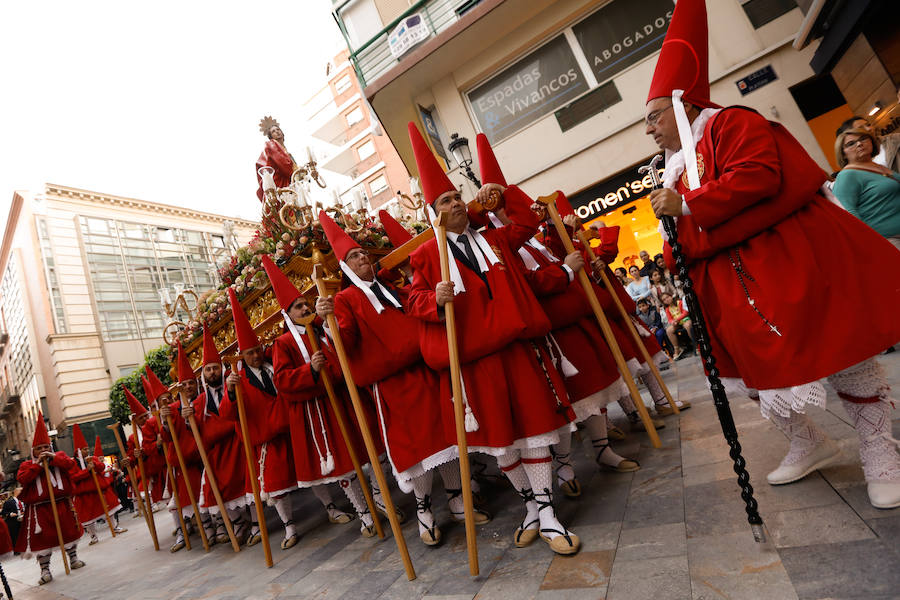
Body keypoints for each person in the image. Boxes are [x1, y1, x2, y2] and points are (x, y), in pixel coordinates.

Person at [645, 0, 900, 508]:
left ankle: (880, 450)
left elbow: (761, 175)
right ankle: (809, 442)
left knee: (841, 350)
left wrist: (688, 205)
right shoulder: (673, 163)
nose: (649, 130)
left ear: (684, 107)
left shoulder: (731, 123)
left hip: (787, 258)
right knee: (753, 373)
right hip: (730, 282)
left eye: (654, 118)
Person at [405, 122, 580, 555]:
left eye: (456, 198)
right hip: (474, 362)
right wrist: (433, 298)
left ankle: (548, 513)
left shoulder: (494, 236)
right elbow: (413, 301)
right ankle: (530, 507)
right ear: (434, 212)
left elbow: (524, 221)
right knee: (502, 441)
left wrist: (498, 197)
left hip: (518, 349)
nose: (455, 204)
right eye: (445, 201)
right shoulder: (426, 255)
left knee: (536, 429)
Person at [473, 134, 639, 500]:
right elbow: (526, 282)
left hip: (576, 317)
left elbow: (538, 234)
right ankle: (564, 466)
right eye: (497, 203)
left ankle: (602, 449)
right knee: (572, 399)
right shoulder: (494, 241)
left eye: (505, 201)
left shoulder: (527, 232)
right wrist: (564, 271)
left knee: (597, 389)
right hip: (552, 333)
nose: (504, 209)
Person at [312, 220, 491, 546]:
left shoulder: (392, 288)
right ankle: (425, 512)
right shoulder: (344, 300)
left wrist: (435, 298)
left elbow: (417, 307)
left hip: (425, 373)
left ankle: (457, 503)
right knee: (416, 452)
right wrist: (328, 324)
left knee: (446, 440)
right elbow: (346, 342)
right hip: (391, 388)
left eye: (363, 253)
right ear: (344, 267)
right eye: (353, 256)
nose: (363, 258)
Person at [269, 278, 390, 539]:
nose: (304, 309)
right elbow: (282, 380)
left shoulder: (323, 327)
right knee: (345, 465)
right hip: (321, 410)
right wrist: (310, 369)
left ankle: (379, 498)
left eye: (305, 304)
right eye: (297, 306)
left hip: (347, 397)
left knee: (374, 450)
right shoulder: (284, 343)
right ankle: (364, 512)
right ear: (287, 314)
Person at [220, 288, 300, 550]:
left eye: (258, 349)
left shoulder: (274, 365)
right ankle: (289, 527)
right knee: (276, 487)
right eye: (250, 352)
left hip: (292, 428)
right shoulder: (236, 381)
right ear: (242, 356)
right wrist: (230, 392)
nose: (256, 355)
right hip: (266, 440)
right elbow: (227, 414)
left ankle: (330, 506)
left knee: (306, 473)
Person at [181, 329, 251, 545]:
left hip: (240, 445)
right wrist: (187, 419)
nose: (212, 372)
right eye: (208, 369)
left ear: (221, 369)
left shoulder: (236, 387)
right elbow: (196, 430)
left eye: (215, 368)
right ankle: (238, 521)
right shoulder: (199, 402)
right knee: (213, 488)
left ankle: (256, 522)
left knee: (250, 482)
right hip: (216, 453)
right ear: (204, 374)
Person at [16, 412, 84, 585]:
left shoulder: (59, 459)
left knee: (69, 532)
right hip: (40, 510)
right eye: (39, 448)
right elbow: (23, 479)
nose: (43, 451)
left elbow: (71, 465)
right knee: (44, 540)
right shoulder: (27, 465)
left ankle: (73, 559)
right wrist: (38, 465)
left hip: (62, 504)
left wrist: (54, 458)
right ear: (33, 451)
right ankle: (45, 570)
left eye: (46, 447)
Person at [832, 128, 900, 250]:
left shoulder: (878, 166)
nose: (859, 144)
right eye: (851, 143)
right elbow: (848, 215)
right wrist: (870, 244)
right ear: (843, 153)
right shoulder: (847, 176)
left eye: (863, 138)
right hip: (888, 240)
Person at [255, 116, 298, 202]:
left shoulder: (286, 151)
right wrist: (297, 172)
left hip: (290, 183)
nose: (277, 132)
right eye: (273, 131)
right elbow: (285, 165)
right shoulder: (271, 145)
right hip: (280, 183)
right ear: (271, 137)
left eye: (278, 129)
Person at [836, 115, 900, 172]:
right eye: (861, 128)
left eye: (868, 125)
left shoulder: (894, 139)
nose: (868, 129)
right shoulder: (857, 162)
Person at [659, 292, 694, 360]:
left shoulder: (679, 302)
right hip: (677, 323)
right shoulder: (667, 309)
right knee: (669, 330)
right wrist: (672, 322)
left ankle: (696, 343)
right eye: (664, 300)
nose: (667, 299)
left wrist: (677, 320)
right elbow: (669, 319)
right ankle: (677, 348)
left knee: (688, 325)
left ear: (671, 296)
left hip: (684, 319)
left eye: (667, 297)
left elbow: (685, 312)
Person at [1, 486, 24, 553]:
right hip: (13, 521)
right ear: (16, 492)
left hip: (23, 519)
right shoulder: (8, 502)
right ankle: (17, 550)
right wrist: (10, 514)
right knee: (15, 536)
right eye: (21, 491)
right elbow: (3, 512)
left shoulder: (23, 500)